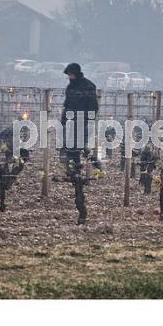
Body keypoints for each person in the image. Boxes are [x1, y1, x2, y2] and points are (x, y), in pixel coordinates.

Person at [61, 63, 99, 224]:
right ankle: (74, 169)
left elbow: (93, 106)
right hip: (71, 120)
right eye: (68, 74)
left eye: (71, 74)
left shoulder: (89, 86)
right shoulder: (70, 87)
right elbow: (67, 104)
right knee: (70, 146)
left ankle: (93, 163)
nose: (69, 77)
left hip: (83, 120)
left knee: (80, 144)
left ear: (76, 73)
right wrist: (64, 117)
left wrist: (89, 119)